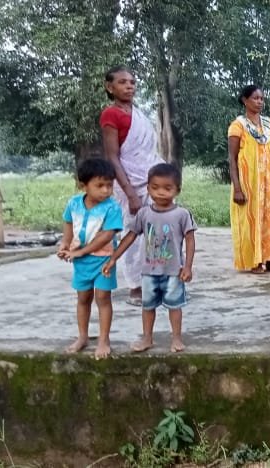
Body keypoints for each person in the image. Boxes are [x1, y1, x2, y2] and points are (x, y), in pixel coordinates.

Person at [102, 163, 197, 353]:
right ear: (147, 188)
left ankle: (176, 338)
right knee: (147, 307)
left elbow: (190, 240)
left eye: (167, 188)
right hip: (148, 272)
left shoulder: (182, 214)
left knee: (175, 307)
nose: (161, 192)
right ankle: (147, 338)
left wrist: (187, 266)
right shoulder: (144, 213)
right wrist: (114, 258)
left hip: (173, 272)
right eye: (155, 188)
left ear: (177, 189)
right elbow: (130, 236)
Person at [100, 66, 165, 307]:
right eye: (122, 82)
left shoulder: (139, 114)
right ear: (110, 87)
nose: (129, 86)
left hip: (152, 178)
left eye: (132, 82)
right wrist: (130, 193)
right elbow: (113, 156)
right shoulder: (111, 115)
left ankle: (157, 280)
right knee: (133, 234)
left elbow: (149, 151)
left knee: (159, 231)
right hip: (129, 180)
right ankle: (135, 286)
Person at [57, 158, 123, 360]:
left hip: (103, 260)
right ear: (83, 185)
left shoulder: (112, 207)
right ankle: (83, 336)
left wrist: (81, 252)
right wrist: (65, 245)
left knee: (103, 298)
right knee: (83, 298)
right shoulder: (74, 204)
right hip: (81, 262)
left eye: (109, 185)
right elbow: (68, 223)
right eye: (99, 185)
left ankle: (104, 339)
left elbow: (107, 235)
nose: (105, 190)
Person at [228, 84, 270, 274]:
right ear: (245, 100)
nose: (260, 102)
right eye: (255, 98)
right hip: (250, 184)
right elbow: (232, 158)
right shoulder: (238, 126)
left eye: (262, 98)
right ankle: (256, 261)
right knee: (252, 220)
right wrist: (237, 188)